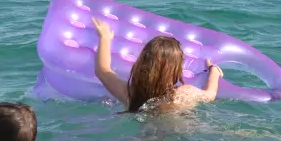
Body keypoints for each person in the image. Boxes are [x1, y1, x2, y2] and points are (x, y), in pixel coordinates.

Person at [92, 18, 223, 112]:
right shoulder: (183, 94)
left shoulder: (130, 95)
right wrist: (214, 71)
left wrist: (105, 37)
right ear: (174, 69)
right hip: (178, 137)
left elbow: (102, 70)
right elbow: (210, 95)